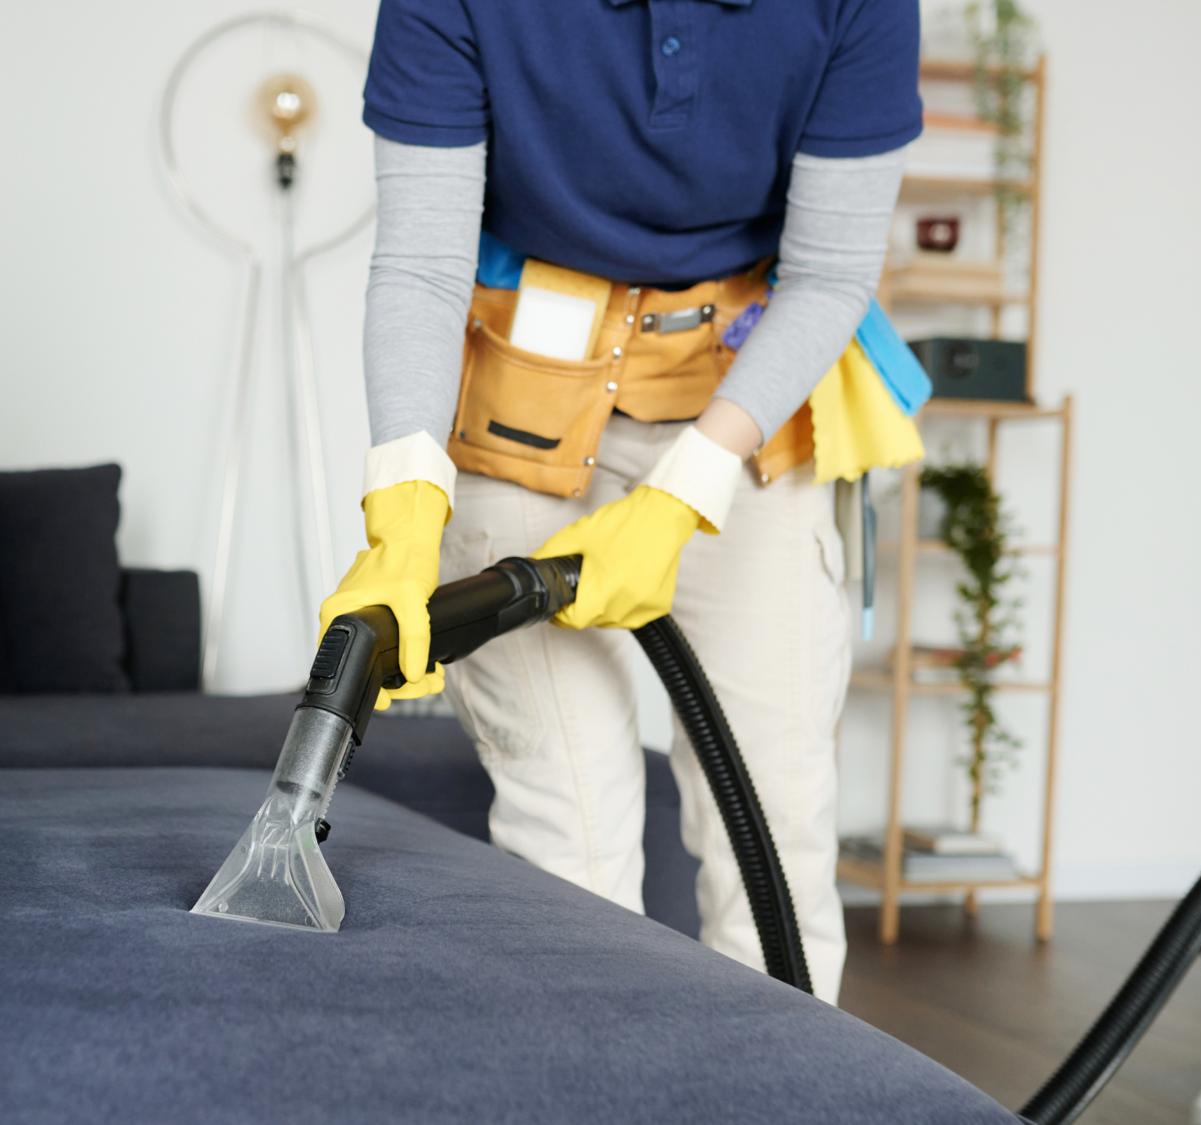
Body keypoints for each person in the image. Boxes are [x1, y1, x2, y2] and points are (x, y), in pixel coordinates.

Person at [321, 0, 924, 1003]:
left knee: (771, 842)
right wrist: (404, 508)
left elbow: (825, 277)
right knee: (568, 853)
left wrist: (678, 494)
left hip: (745, 417)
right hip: (522, 418)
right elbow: (423, 268)